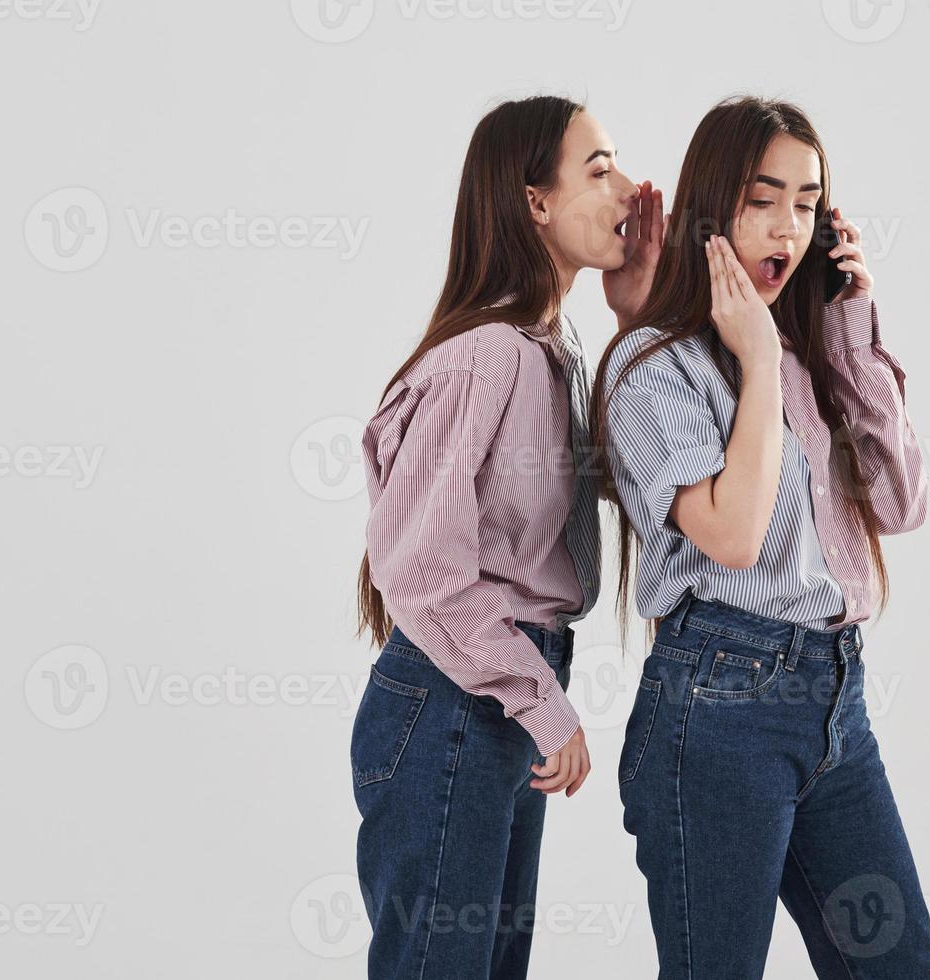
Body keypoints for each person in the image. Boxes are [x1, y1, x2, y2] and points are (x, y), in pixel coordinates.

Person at [592, 95, 930, 979]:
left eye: (807, 200)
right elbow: (737, 538)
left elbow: (902, 504)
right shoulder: (654, 368)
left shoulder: (810, 355)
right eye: (762, 198)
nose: (788, 224)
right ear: (715, 210)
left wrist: (851, 330)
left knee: (902, 967)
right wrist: (752, 359)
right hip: (716, 712)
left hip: (835, 705)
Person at [351, 94, 663, 979]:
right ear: (534, 202)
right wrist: (536, 697)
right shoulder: (487, 355)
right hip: (459, 698)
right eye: (598, 169)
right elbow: (417, 566)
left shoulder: (548, 353)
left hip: (491, 698)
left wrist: (635, 318)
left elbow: (642, 489)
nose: (631, 189)